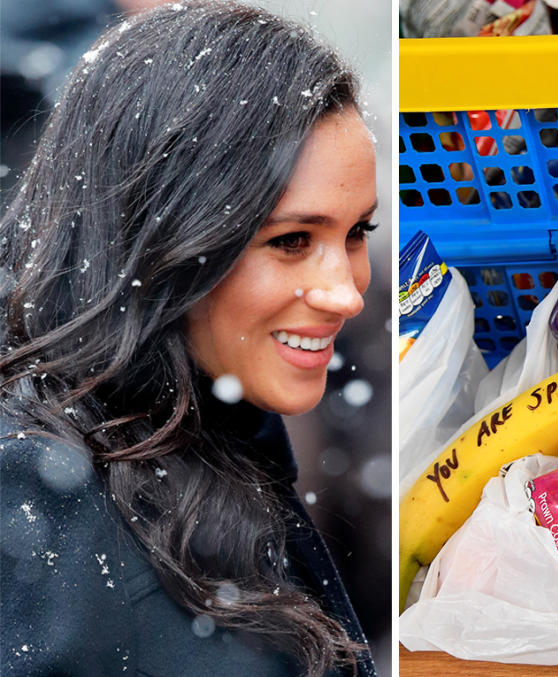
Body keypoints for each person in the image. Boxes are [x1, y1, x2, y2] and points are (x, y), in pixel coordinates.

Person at [0, 3, 379, 675]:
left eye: (356, 233)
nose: (347, 291)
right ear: (165, 241)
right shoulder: (52, 519)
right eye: (292, 241)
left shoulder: (203, 423)